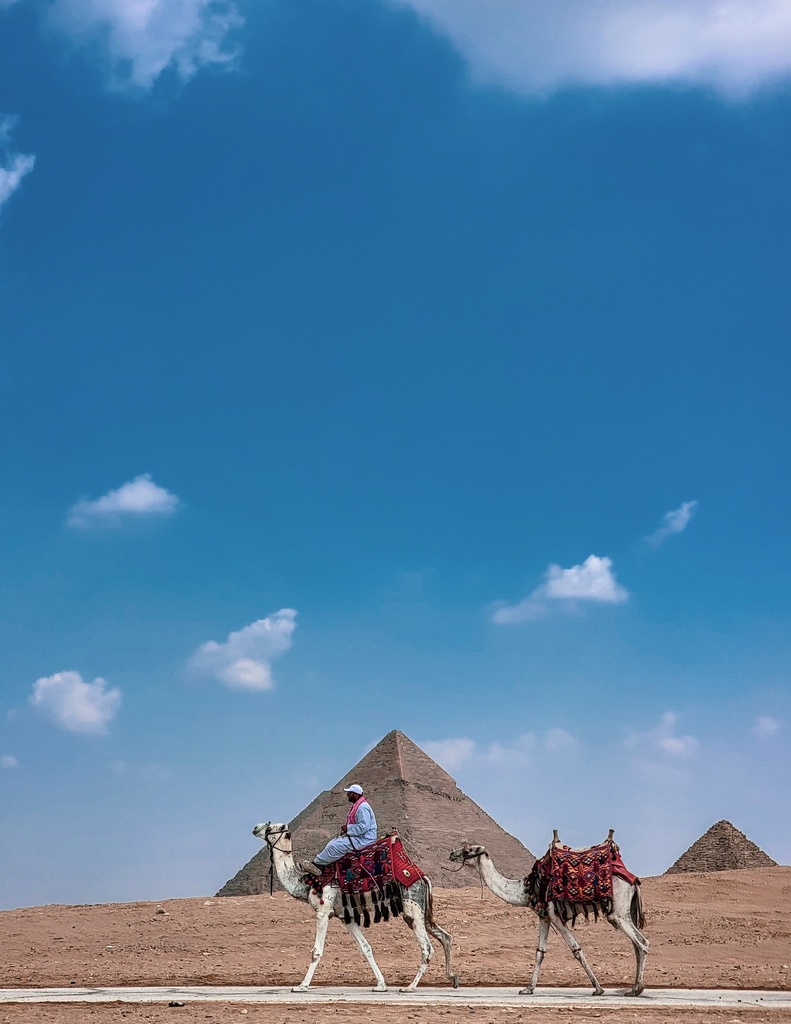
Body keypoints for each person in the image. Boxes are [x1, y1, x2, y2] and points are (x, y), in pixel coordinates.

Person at [299, 784, 377, 876]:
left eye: (350, 793)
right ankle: (319, 864)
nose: (347, 795)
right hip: (359, 837)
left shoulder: (362, 807)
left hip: (365, 839)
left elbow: (364, 827)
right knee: (334, 842)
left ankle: (317, 866)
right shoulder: (358, 806)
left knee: (334, 846)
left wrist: (348, 828)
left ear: (356, 795)